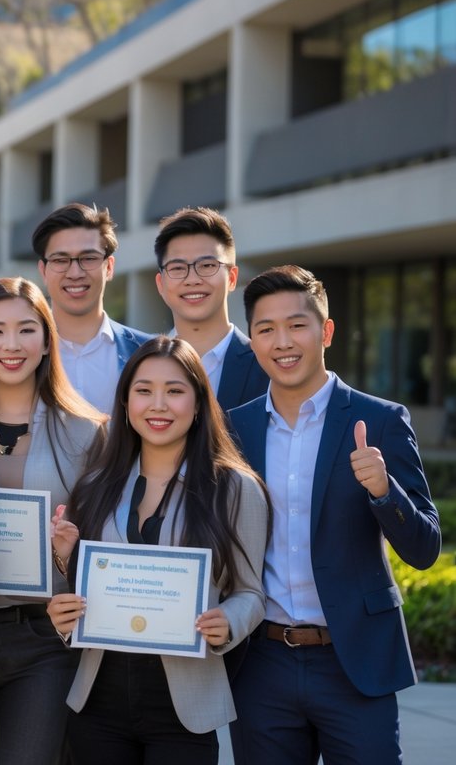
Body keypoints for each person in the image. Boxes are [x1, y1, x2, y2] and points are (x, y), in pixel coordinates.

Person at [227, 265, 441, 765]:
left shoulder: (381, 421)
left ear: (325, 331)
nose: (283, 341)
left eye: (297, 324)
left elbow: (426, 548)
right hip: (262, 664)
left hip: (355, 662)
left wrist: (385, 492)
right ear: (253, 341)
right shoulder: (234, 430)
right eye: (266, 329)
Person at [47, 336, 269, 765]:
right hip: (98, 703)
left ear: (200, 403)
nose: (158, 405)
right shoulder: (96, 486)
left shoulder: (235, 489)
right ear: (126, 403)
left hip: (185, 709)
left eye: (175, 391)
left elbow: (252, 593)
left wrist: (228, 622)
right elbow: (75, 589)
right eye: (144, 390)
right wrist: (63, 573)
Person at [0, 278, 105, 764]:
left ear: (46, 340)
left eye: (26, 329)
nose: (11, 345)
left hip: (46, 640)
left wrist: (68, 554)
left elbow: (104, 551)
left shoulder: (87, 434)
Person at [32, 203, 152, 414]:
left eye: (88, 258)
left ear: (110, 267)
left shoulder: (147, 353)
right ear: (43, 270)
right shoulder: (20, 351)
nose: (75, 273)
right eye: (60, 260)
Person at [154, 207, 268, 411]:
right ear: (160, 284)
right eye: (178, 268)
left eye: (207, 266)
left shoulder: (266, 365)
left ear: (232, 278)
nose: (193, 280)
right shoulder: (138, 365)